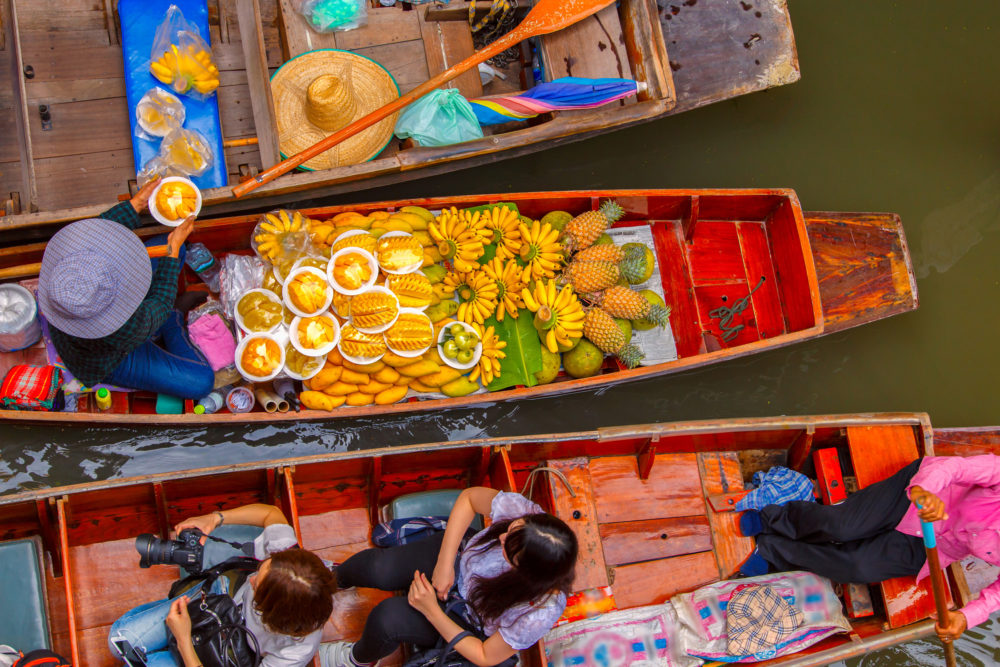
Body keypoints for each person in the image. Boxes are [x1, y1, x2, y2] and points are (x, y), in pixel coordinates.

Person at [738, 455, 1000, 645]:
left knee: (856, 566)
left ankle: (772, 551)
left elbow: (995, 596)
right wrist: (925, 492)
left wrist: (965, 618)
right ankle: (772, 518)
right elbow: (956, 467)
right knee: (841, 527)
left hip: (933, 545)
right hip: (917, 496)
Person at [322, 487, 579, 667]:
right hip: (456, 560)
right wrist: (445, 564)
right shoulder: (525, 512)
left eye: (508, 551)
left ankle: (358, 659)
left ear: (527, 573)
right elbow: (469, 499)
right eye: (511, 529)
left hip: (464, 618)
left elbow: (485, 655)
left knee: (387, 619)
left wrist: (432, 609)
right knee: (376, 567)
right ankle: (331, 580)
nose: (500, 537)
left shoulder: (539, 611)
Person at [36, 178, 214, 399]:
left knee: (167, 245)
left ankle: (162, 323)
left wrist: (135, 205)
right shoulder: (123, 328)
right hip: (110, 358)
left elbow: (96, 231)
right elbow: (158, 305)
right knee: (202, 382)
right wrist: (172, 252)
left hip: (103, 300)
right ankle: (171, 321)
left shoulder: (68, 266)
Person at [109, 503, 337, 667]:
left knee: (140, 657)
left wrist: (183, 639)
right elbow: (271, 513)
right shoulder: (288, 560)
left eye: (257, 588)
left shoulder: (296, 650)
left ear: (273, 615)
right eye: (263, 567)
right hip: (219, 598)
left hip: (226, 649)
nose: (251, 579)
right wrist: (216, 518)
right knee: (118, 641)